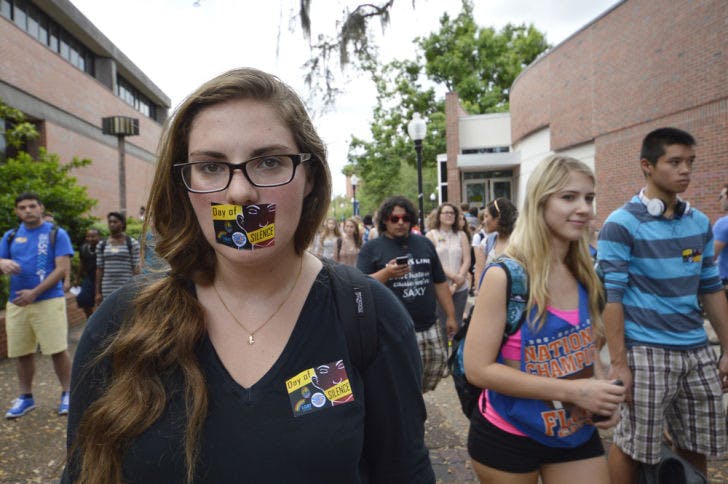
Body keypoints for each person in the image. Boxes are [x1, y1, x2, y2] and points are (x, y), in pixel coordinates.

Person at [63, 67, 434, 483]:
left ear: (309, 177)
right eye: (211, 167)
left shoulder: (370, 317)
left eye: (270, 162)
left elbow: (406, 471)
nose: (240, 193)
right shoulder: (121, 322)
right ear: (186, 186)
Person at [463, 155, 624, 483]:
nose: (584, 208)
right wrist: (574, 392)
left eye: (589, 198)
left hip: (574, 432)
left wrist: (599, 393)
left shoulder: (588, 271)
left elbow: (587, 346)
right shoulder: (506, 275)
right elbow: (477, 369)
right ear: (540, 202)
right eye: (568, 197)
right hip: (508, 433)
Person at [599, 127, 728, 482]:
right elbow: (613, 298)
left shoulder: (700, 222)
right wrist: (620, 364)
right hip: (647, 353)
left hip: (697, 352)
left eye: (690, 162)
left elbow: (711, 287)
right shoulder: (621, 225)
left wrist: (727, 348)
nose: (685, 170)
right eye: (674, 162)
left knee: (696, 444)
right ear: (647, 166)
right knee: (633, 445)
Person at [357, 195, 457, 393]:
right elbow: (360, 286)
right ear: (385, 220)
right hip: (393, 329)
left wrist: (451, 316)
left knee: (435, 369)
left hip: (429, 325)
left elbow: (439, 282)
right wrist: (386, 273)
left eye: (405, 218)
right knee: (400, 378)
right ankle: (409, 411)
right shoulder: (371, 249)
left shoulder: (424, 244)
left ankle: (415, 401)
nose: (401, 223)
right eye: (395, 219)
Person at [0, 193, 74, 418]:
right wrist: (1, 262)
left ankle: (68, 393)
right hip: (17, 303)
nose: (28, 210)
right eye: (22, 207)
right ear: (16, 211)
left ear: (41, 208)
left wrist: (34, 293)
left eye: (32, 206)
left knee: (57, 350)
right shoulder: (11, 236)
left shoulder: (55, 234)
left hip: (49, 300)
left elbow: (61, 268)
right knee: (21, 352)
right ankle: (25, 398)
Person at [426, 203, 471, 338]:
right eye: (446, 213)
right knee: (441, 324)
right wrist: (453, 277)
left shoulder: (461, 235)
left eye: (452, 213)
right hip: (440, 287)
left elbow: (467, 259)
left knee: (457, 324)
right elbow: (435, 261)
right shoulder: (431, 235)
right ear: (439, 216)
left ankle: (455, 356)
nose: (449, 215)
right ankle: (444, 356)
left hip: (460, 287)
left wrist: (457, 282)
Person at [473, 197, 518, 292]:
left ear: (498, 217)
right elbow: (479, 273)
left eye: (486, 216)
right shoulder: (486, 243)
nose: (483, 221)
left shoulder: (521, 241)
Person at [94, 211, 140, 304]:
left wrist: (136, 288)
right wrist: (97, 292)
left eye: (115, 222)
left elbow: (136, 268)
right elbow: (99, 269)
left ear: (122, 224)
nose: (112, 224)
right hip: (107, 287)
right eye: (110, 222)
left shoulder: (132, 243)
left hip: (126, 287)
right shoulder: (102, 245)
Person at [75, 228, 100, 318]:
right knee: (83, 299)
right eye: (88, 236)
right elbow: (81, 264)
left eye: (93, 236)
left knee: (101, 301)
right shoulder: (84, 248)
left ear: (98, 237)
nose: (90, 239)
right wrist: (77, 279)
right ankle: (91, 320)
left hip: (103, 278)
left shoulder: (104, 247)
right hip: (89, 277)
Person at [714, 183, 728, 297]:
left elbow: (709, 256)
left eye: (721, 197)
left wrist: (685, 255)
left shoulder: (724, 224)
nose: (720, 201)